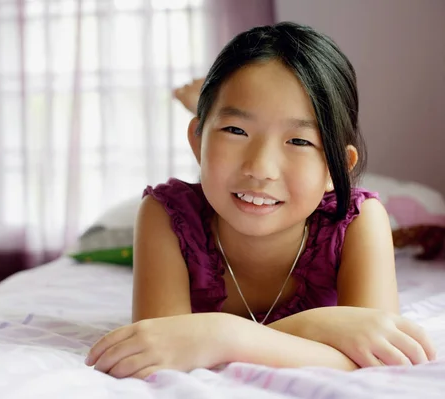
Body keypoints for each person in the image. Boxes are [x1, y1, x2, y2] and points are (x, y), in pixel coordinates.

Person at [85, 22, 437, 379]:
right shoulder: (166, 216)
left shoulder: (360, 220)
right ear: (197, 141)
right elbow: (156, 348)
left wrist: (220, 337)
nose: (261, 168)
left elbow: (378, 361)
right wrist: (323, 327)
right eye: (236, 131)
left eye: (299, 141)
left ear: (336, 169)